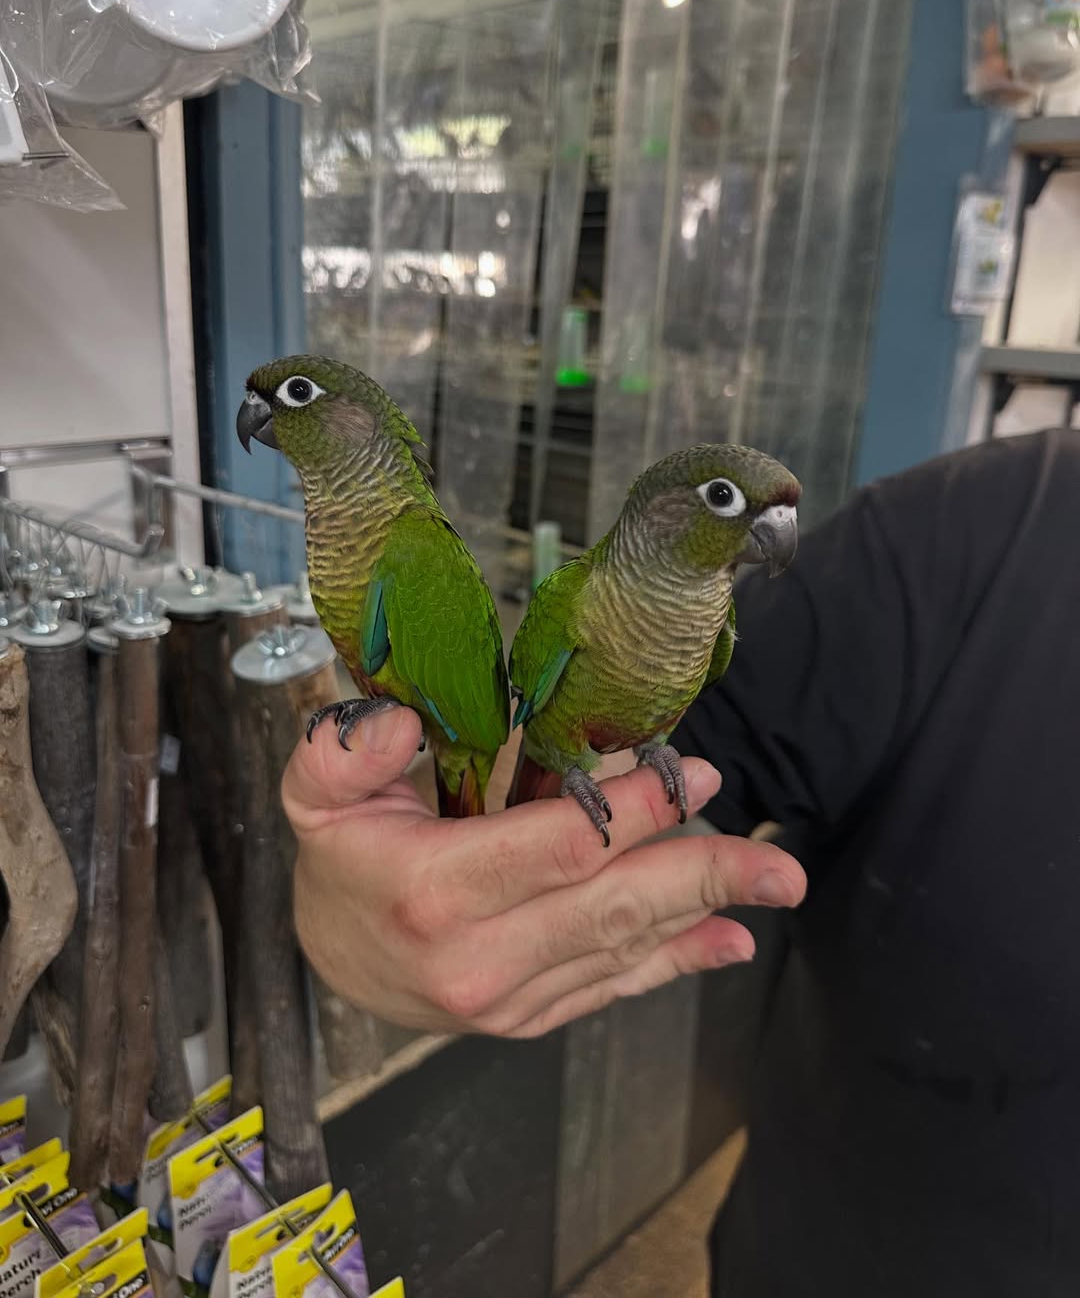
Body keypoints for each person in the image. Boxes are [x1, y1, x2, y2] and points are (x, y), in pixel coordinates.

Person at [285, 427, 1080, 1295]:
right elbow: (558, 763)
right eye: (731, 502)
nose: (774, 528)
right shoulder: (982, 523)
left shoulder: (716, 624)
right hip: (821, 1251)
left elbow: (679, 734)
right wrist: (415, 891)